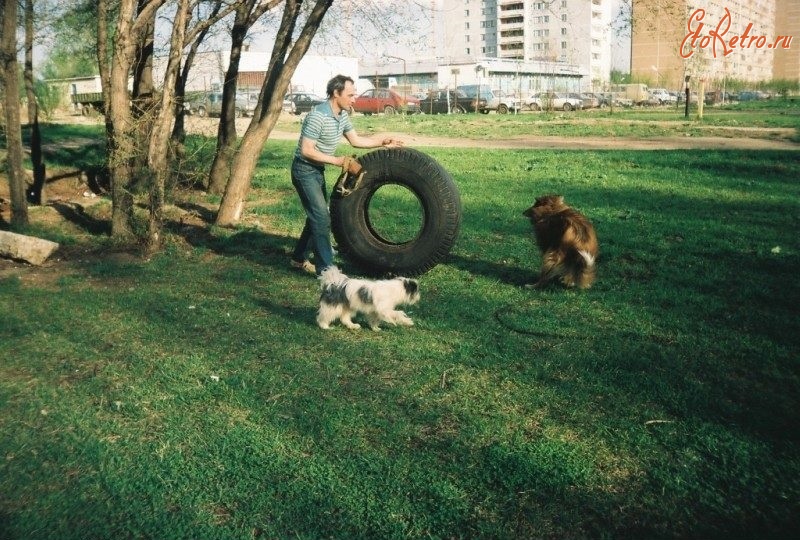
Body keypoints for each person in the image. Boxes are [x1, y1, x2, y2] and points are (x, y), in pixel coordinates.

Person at [290, 74, 404, 275]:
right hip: (303, 170)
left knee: (316, 216)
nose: (354, 99)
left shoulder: (342, 115)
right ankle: (326, 270)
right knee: (321, 217)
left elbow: (356, 140)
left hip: (317, 170)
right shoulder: (318, 116)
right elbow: (306, 150)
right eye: (350, 95)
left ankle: (298, 258)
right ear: (336, 93)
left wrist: (383, 142)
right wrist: (337, 161)